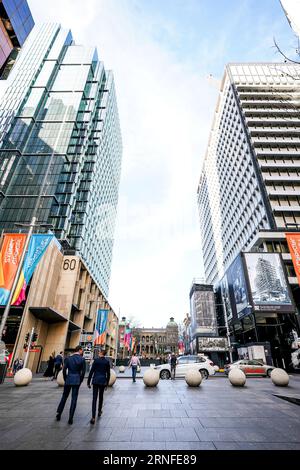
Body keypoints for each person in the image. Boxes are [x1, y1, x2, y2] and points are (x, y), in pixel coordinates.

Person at [56, 345, 86, 424]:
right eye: (82, 350)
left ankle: (59, 413)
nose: (82, 352)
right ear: (79, 350)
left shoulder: (68, 358)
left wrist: (66, 379)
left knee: (64, 396)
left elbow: (64, 370)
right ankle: (70, 417)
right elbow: (83, 373)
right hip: (76, 380)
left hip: (69, 379)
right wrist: (80, 381)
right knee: (74, 398)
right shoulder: (82, 359)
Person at [87, 349, 110, 424]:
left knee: (94, 398)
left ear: (100, 353)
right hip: (103, 381)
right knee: (101, 397)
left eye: (99, 352)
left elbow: (91, 371)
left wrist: (88, 382)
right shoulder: (107, 362)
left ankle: (93, 417)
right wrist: (107, 383)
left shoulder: (96, 361)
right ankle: (99, 411)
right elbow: (108, 374)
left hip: (96, 380)